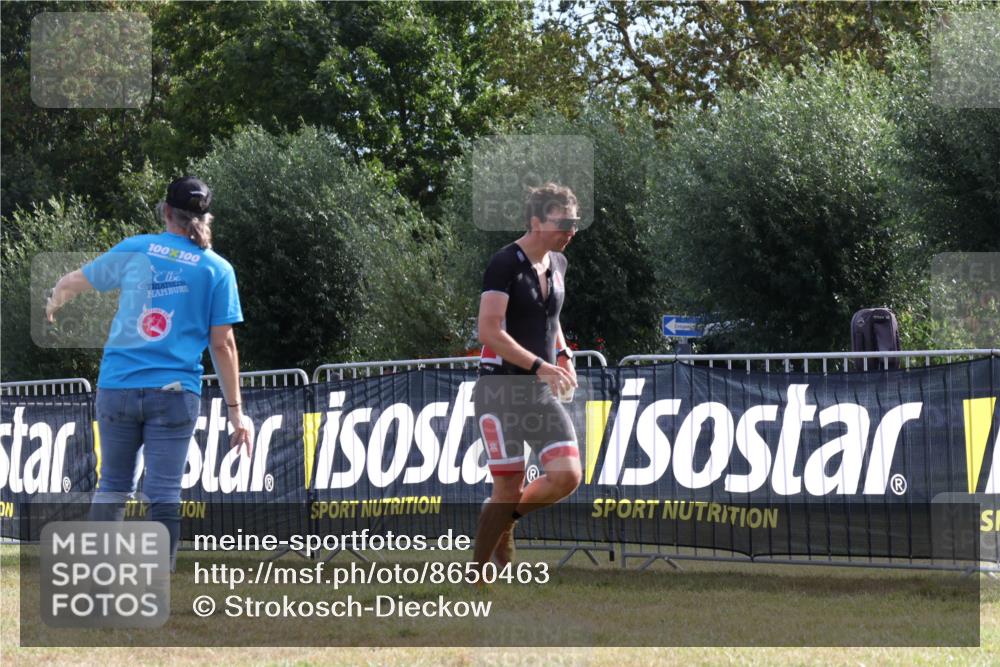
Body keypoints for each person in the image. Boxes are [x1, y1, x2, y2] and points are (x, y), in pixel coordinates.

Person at [45, 176, 249, 571]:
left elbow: (75, 281)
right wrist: (235, 410)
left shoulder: (137, 249)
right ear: (205, 217)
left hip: (118, 385)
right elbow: (223, 345)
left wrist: (55, 299)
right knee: (164, 491)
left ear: (166, 212)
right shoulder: (218, 270)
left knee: (113, 486)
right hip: (175, 392)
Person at [472, 182, 583, 576]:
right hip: (500, 390)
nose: (571, 231)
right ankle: (475, 577)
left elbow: (549, 321)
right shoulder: (504, 263)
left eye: (575, 223)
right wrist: (540, 365)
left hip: (538, 392)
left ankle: (507, 521)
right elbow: (489, 331)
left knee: (568, 475)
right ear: (536, 222)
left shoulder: (558, 264)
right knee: (505, 487)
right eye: (563, 223)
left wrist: (564, 355)